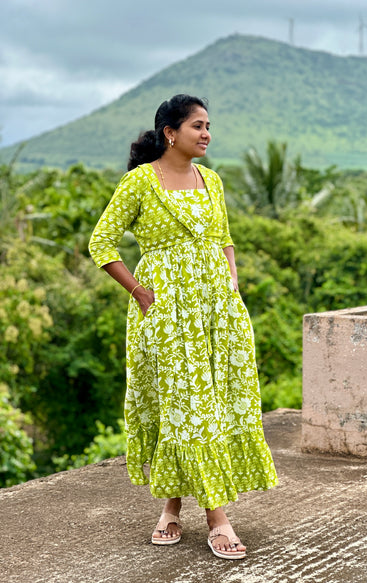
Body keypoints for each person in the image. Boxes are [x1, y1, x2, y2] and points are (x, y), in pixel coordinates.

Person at [89, 94, 278, 560]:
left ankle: (171, 508)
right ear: (170, 132)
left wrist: (231, 281)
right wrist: (139, 292)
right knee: (184, 405)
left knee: (208, 407)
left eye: (209, 125)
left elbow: (224, 239)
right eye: (198, 125)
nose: (207, 133)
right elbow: (102, 241)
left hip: (218, 313)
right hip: (168, 316)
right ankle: (218, 519)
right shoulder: (140, 183)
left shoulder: (211, 181)